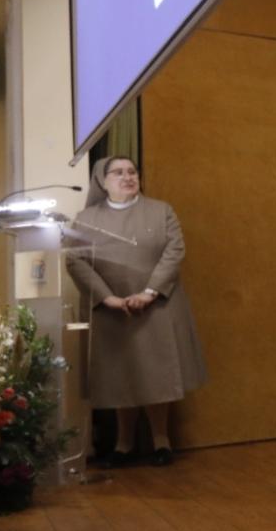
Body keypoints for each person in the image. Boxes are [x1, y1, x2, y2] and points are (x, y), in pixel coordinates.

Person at [66, 156, 207, 466]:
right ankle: (123, 444)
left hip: (155, 305)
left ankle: (161, 441)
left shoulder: (161, 211)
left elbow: (174, 251)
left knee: (156, 374)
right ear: (102, 181)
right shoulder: (86, 218)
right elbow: (75, 260)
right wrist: (109, 299)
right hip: (112, 309)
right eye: (118, 172)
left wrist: (148, 292)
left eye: (132, 171)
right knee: (121, 376)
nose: (127, 177)